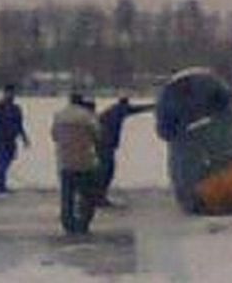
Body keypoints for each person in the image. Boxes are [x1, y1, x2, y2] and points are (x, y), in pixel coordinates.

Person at [52, 94, 101, 234]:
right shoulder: (87, 117)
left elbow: (54, 135)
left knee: (67, 195)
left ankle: (67, 223)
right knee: (86, 194)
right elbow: (97, 135)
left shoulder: (59, 115)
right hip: (84, 161)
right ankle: (83, 223)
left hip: (65, 161)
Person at [96, 96, 156, 204]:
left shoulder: (112, 110)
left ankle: (99, 195)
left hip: (103, 144)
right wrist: (152, 107)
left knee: (105, 170)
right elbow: (135, 109)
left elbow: (134, 109)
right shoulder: (118, 111)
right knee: (106, 170)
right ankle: (99, 196)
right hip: (106, 144)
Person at [0, 84, 30, 194]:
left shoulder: (16, 109)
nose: (12, 95)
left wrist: (24, 138)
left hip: (11, 140)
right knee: (1, 163)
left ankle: (1, 184)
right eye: (9, 92)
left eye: (13, 93)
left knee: (6, 162)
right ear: (5, 92)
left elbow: (20, 124)